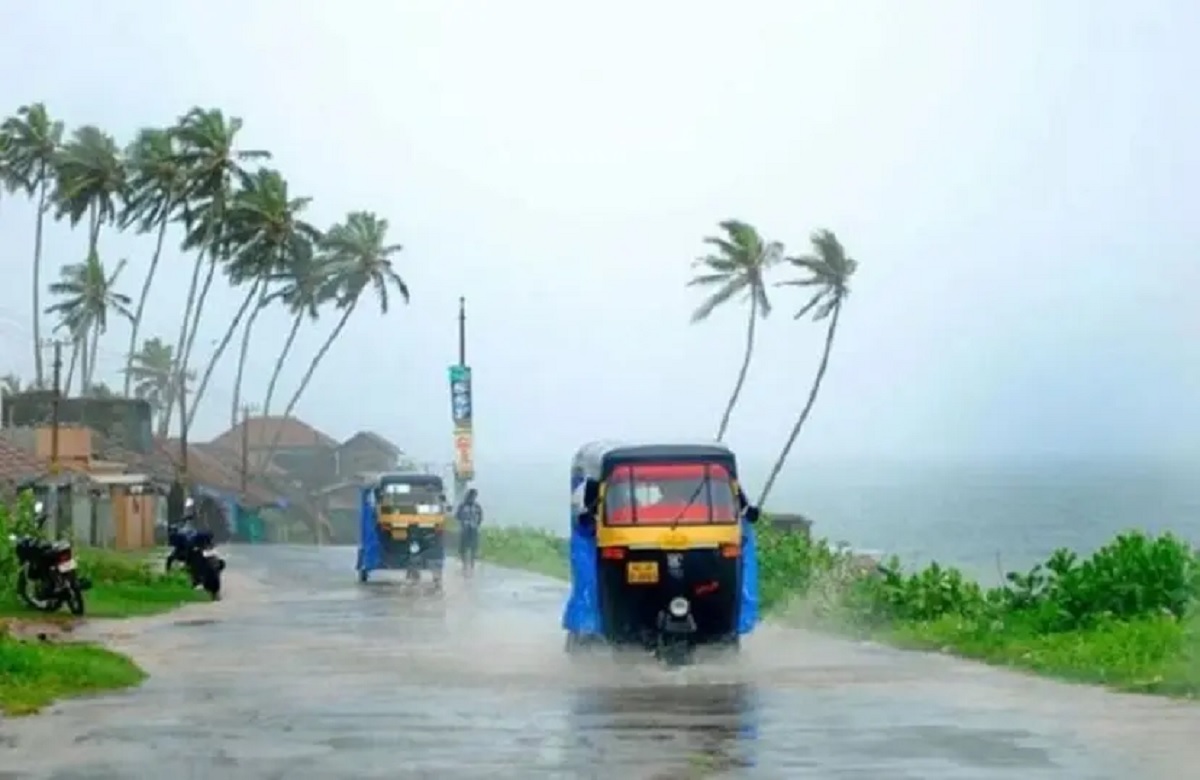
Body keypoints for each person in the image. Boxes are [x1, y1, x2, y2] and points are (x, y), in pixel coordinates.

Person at [456, 488, 484, 574]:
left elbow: (481, 516)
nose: (473, 498)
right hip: (465, 528)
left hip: (473, 528)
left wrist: (477, 523)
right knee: (463, 547)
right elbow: (457, 516)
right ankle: (464, 564)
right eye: (472, 496)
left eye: (474, 496)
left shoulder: (477, 506)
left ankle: (472, 563)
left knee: (473, 547)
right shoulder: (462, 506)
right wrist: (464, 521)